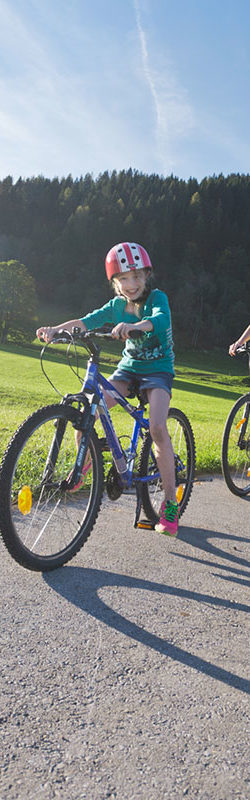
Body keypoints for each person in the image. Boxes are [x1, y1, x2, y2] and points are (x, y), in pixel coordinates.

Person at [36, 242, 179, 536]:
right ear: (115, 282)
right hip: (128, 370)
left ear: (146, 277)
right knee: (86, 414)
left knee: (157, 428)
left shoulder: (157, 298)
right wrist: (55, 330)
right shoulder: (115, 306)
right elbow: (85, 322)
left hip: (158, 371)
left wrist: (139, 325)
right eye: (124, 278)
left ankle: (169, 502)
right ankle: (84, 466)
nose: (132, 284)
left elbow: (160, 320)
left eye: (137, 276)